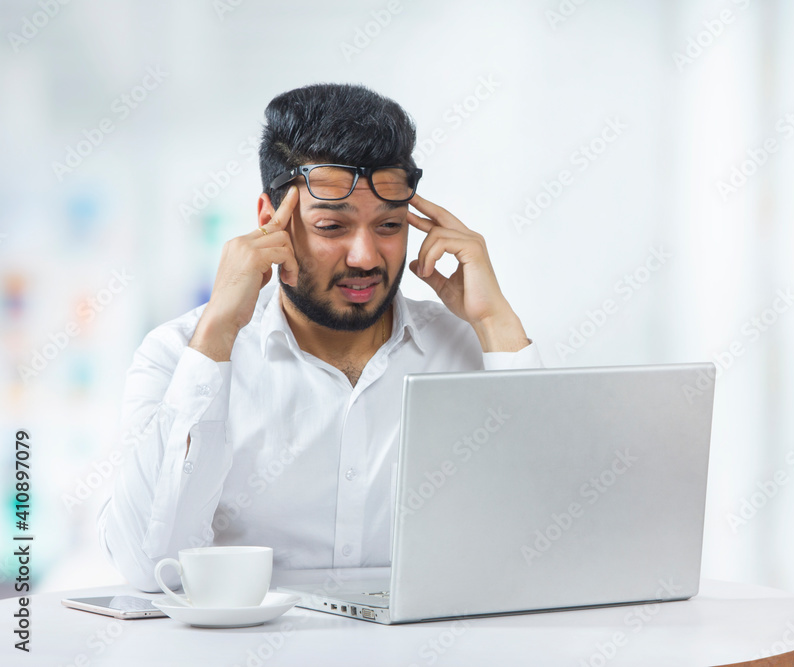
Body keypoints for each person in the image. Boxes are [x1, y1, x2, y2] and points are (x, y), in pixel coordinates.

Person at [98, 83, 540, 592]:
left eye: (390, 225)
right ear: (271, 223)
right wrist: (218, 330)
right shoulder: (180, 356)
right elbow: (146, 566)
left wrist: (496, 321)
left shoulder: (472, 348)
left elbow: (550, 536)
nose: (366, 257)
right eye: (332, 226)